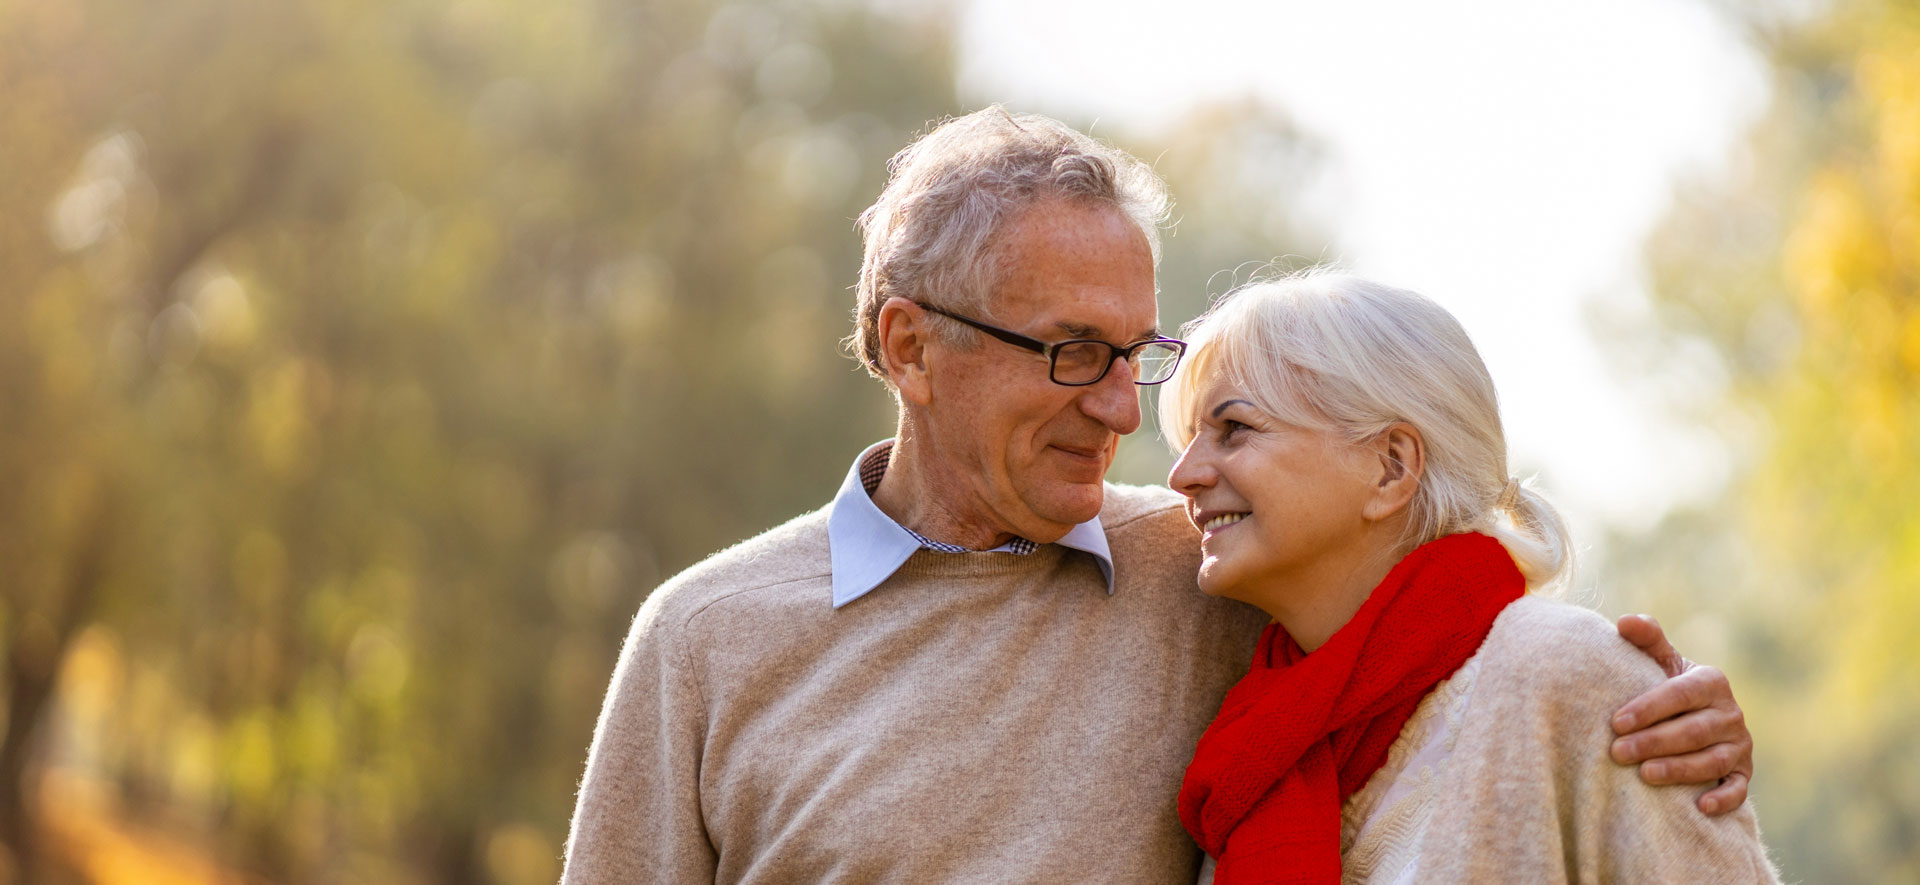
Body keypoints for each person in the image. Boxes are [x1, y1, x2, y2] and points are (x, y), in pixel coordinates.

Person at [560, 108, 1755, 884]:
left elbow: (1426, 615)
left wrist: (1658, 713)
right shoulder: (703, 641)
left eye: (1137, 353)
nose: (1129, 415)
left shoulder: (1209, 571)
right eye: (1074, 350)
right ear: (911, 347)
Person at [1162, 272, 1779, 883]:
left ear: (1390, 467)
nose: (1182, 475)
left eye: (1233, 429)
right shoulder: (1252, 746)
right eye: (1189, 441)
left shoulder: (1572, 674)